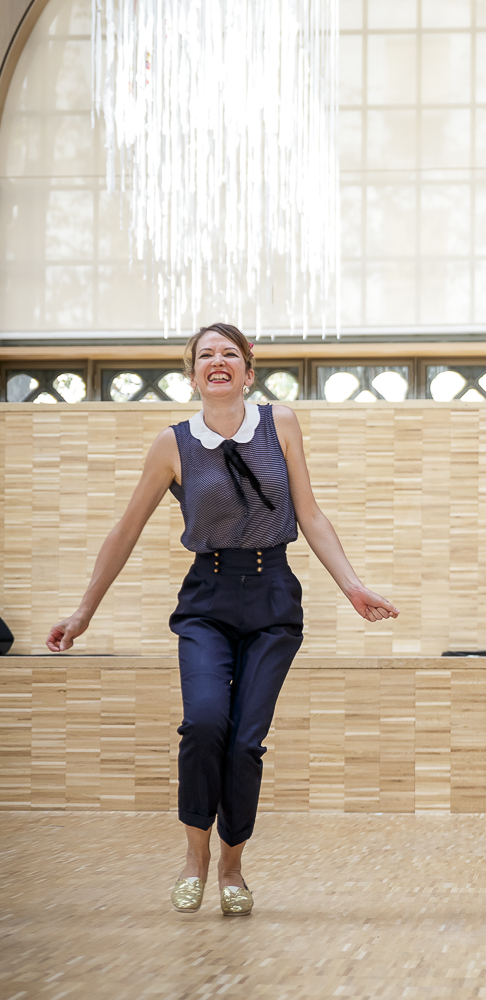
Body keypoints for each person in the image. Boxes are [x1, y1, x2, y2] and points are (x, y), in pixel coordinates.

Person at [47, 323, 398, 916]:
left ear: (247, 371)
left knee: (244, 742)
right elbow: (125, 531)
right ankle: (194, 859)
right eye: (206, 354)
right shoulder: (172, 445)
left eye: (229, 354)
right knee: (205, 725)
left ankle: (233, 871)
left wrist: (352, 584)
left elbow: (309, 514)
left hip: (273, 597)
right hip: (206, 599)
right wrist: (83, 612)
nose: (218, 361)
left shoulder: (281, 423)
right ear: (192, 374)